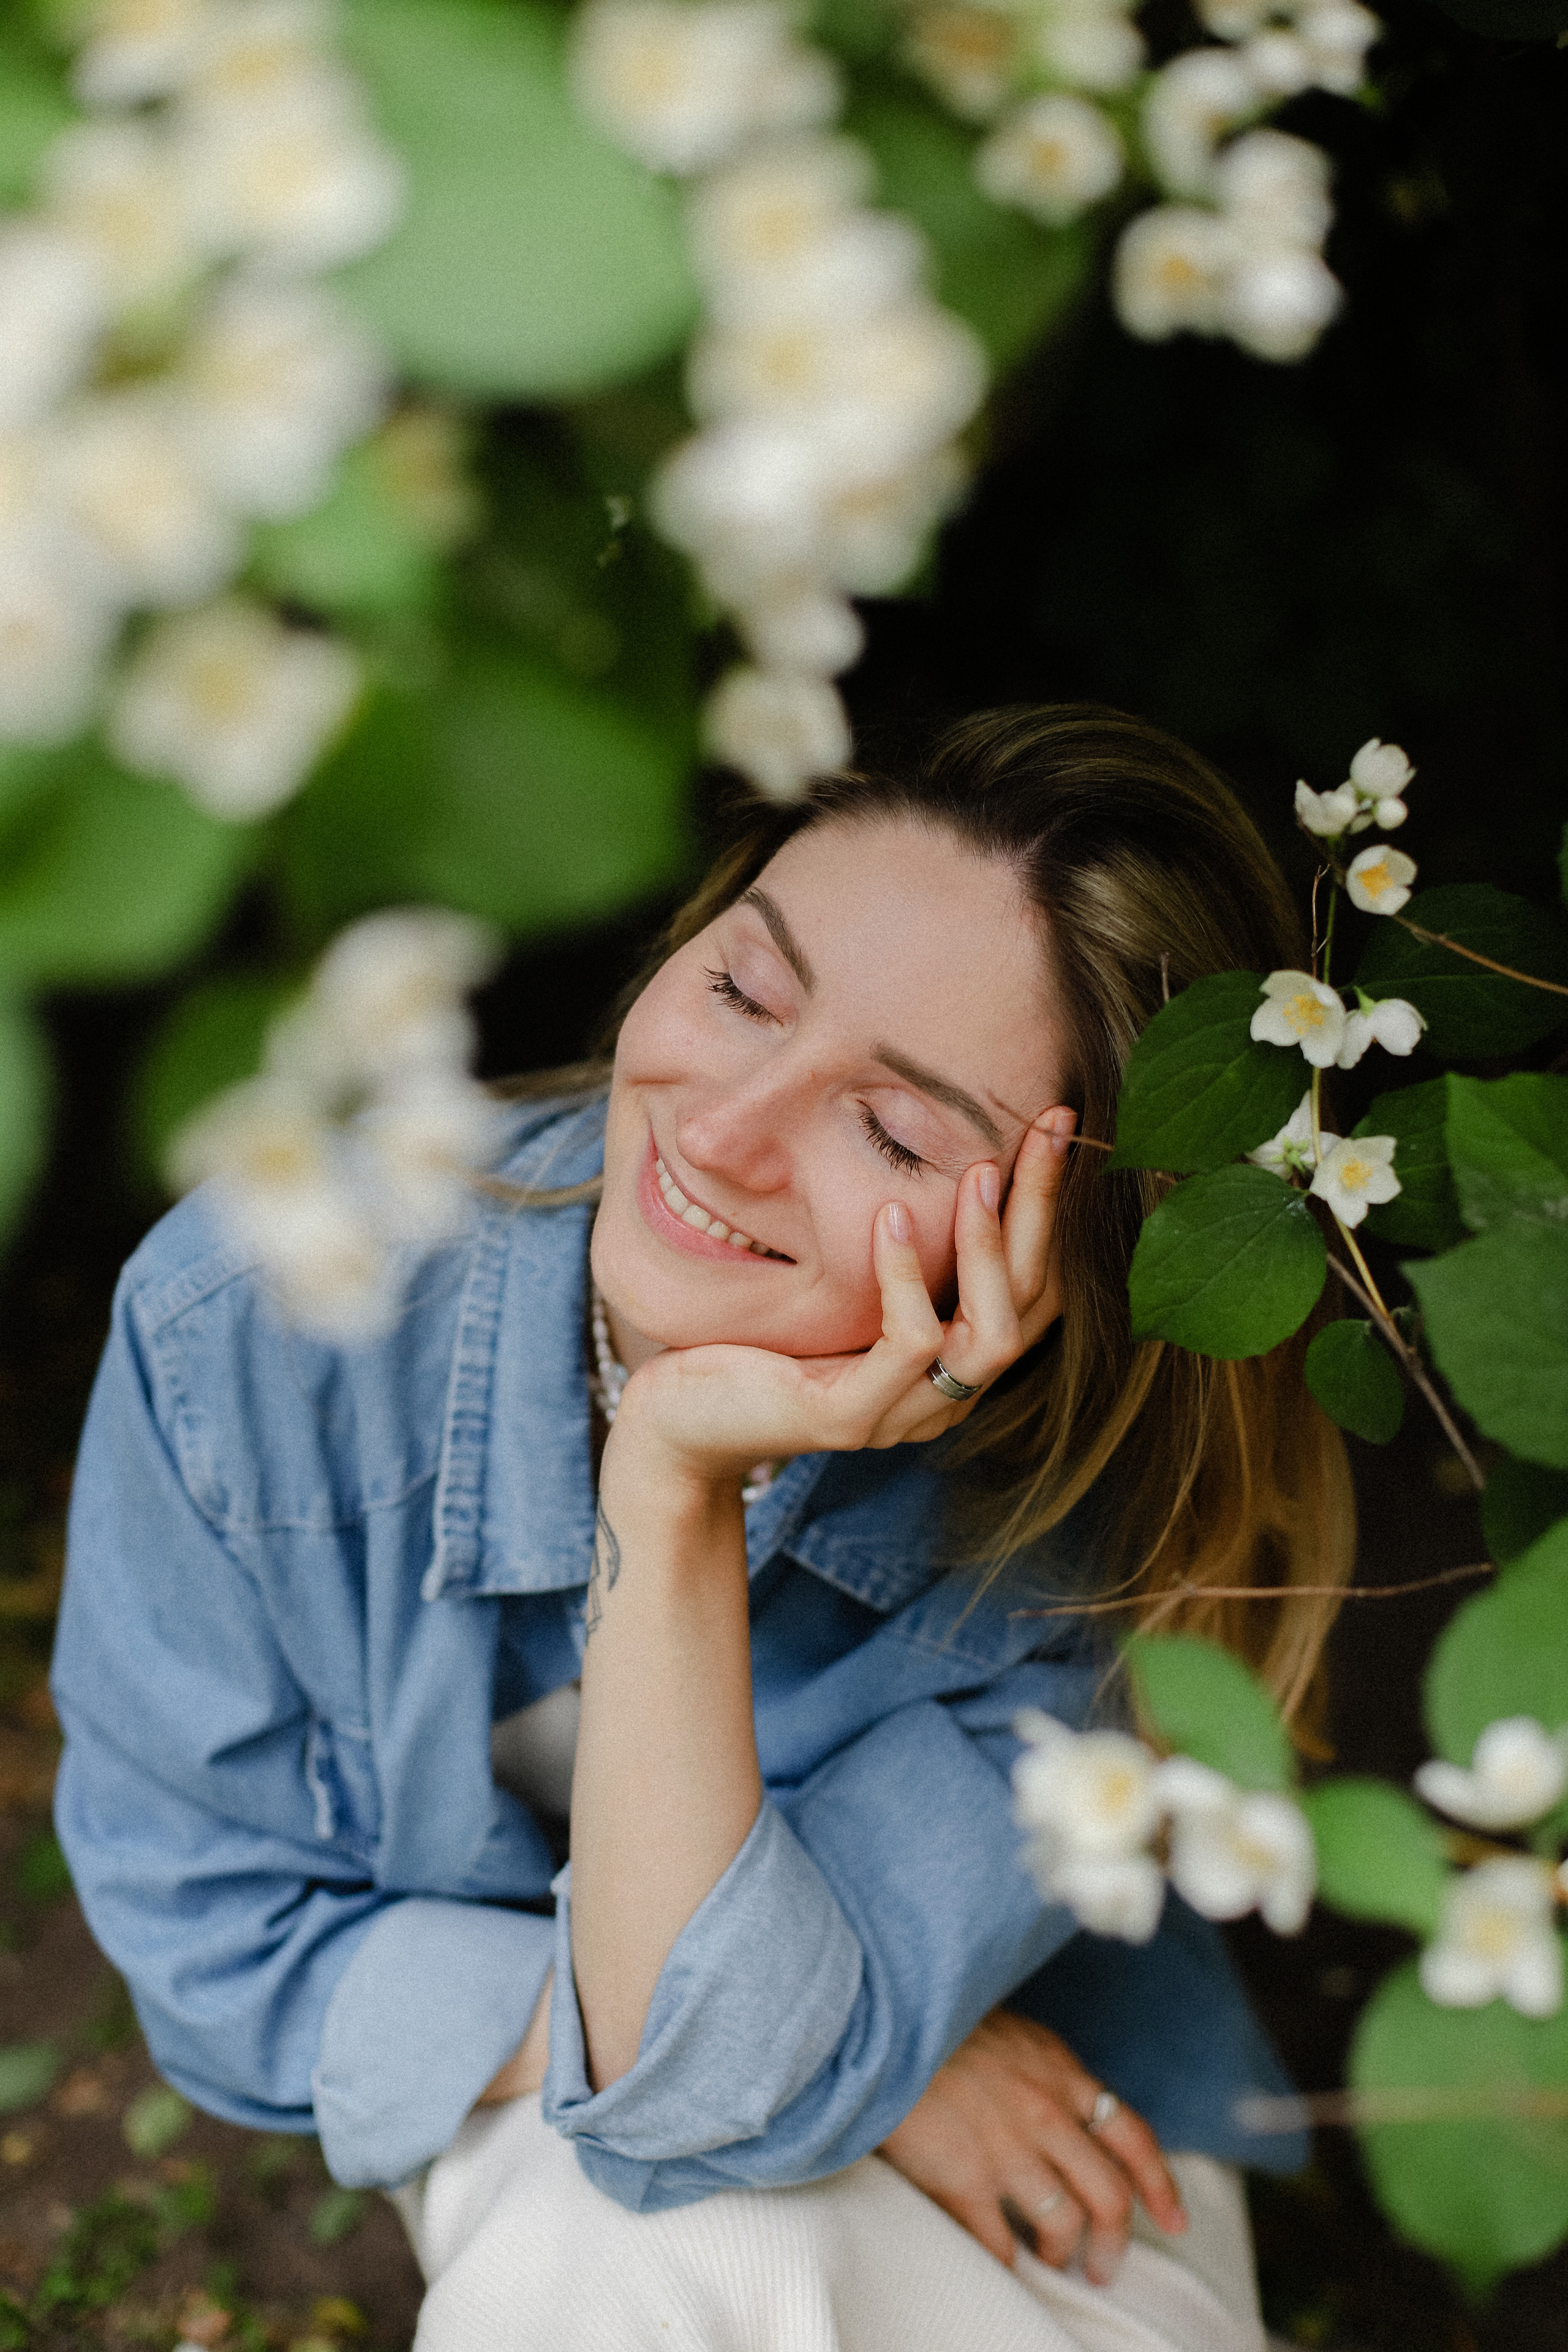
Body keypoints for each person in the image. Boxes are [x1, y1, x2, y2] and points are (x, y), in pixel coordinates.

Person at [53, 706, 1352, 2352]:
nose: (723, 1133)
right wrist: (859, 2064)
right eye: (744, 990)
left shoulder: (1077, 1521)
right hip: (606, 2143)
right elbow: (214, 1933)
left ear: (1058, 1251)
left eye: (894, 1131)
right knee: (605, 2235)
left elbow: (705, 2079)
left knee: (597, 2253)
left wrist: (665, 1486)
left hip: (1044, 2158)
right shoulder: (266, 1315)